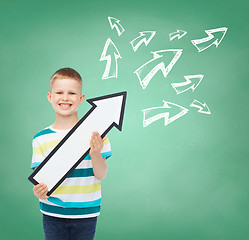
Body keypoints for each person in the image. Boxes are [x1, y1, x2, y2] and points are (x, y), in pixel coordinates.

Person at [31, 67, 112, 240]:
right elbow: (40, 181)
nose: (65, 98)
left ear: (81, 98)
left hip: (86, 212)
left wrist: (96, 153)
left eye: (72, 93)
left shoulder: (97, 134)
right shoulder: (40, 139)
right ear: (50, 97)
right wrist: (38, 191)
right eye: (59, 92)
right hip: (52, 212)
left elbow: (101, 174)